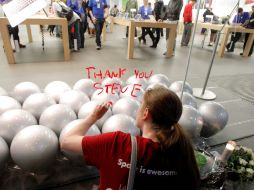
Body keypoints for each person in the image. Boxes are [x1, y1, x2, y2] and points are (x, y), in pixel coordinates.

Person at [61, 87, 200, 190]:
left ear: (146, 113)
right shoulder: (182, 150)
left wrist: (93, 117)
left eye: (141, 105)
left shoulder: (117, 144)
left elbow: (66, 142)